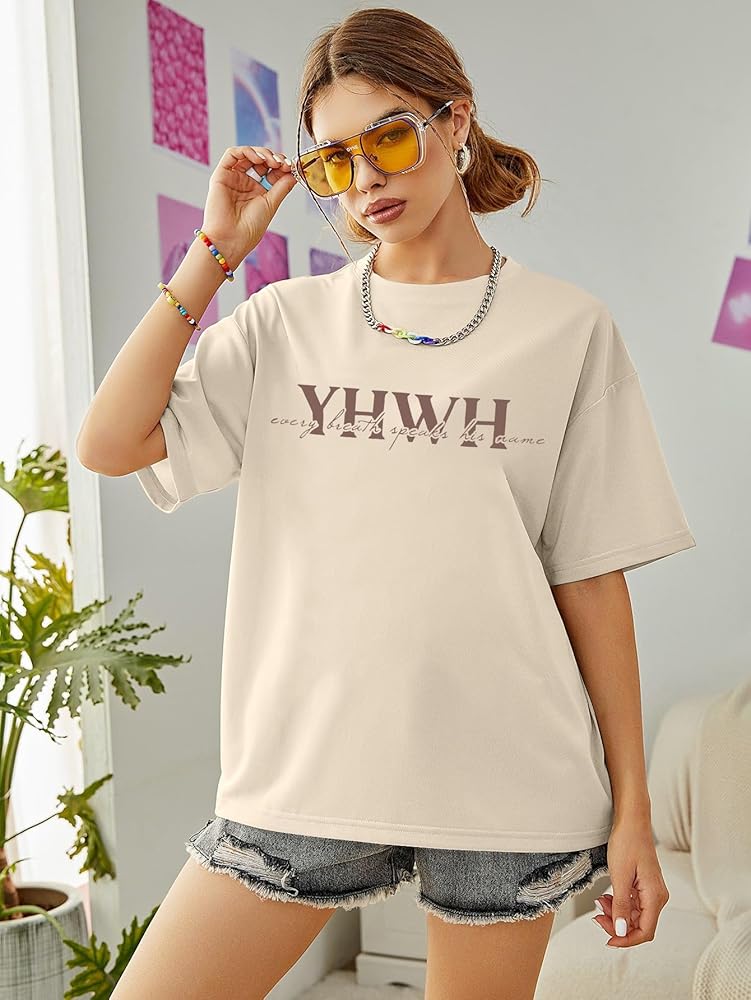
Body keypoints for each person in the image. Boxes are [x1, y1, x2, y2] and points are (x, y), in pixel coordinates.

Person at [77, 8, 696, 1000]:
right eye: (333, 160)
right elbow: (110, 442)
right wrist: (215, 250)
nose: (365, 178)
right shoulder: (285, 322)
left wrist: (632, 813)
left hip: (509, 783)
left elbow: (588, 579)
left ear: (456, 121)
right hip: (303, 772)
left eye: (390, 139)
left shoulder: (567, 329)